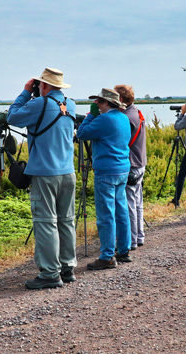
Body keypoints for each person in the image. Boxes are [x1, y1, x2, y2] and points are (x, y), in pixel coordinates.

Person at [7, 67, 78, 289]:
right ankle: (67, 268)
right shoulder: (71, 104)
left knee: (46, 222)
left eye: (39, 85)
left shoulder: (39, 103)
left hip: (45, 173)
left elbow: (13, 117)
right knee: (66, 220)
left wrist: (26, 92)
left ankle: (49, 273)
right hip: (68, 171)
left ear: (44, 85)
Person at [76, 88, 132, 269]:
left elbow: (82, 134)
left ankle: (107, 256)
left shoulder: (103, 119)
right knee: (121, 210)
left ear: (107, 102)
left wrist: (90, 116)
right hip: (122, 168)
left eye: (98, 102)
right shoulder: (124, 118)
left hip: (106, 171)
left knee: (106, 214)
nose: (97, 105)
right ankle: (124, 250)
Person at [114, 85, 147, 250]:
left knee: (129, 204)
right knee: (137, 202)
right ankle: (139, 236)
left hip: (131, 163)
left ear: (119, 99)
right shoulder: (136, 112)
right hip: (140, 161)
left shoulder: (126, 118)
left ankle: (131, 240)